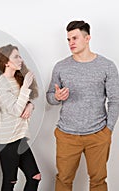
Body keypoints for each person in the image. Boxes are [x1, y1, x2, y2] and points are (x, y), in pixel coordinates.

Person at [46, 20, 119, 191]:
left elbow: (115, 100)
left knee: (98, 181)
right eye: (68, 39)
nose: (71, 43)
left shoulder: (107, 66)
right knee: (63, 179)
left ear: (88, 38)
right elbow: (49, 97)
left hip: (98, 134)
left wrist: (108, 130)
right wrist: (57, 97)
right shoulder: (61, 67)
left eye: (75, 38)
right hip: (67, 135)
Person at [0, 44, 41, 191]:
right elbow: (16, 110)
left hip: (19, 137)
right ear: (6, 62)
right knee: (10, 181)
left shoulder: (17, 79)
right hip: (7, 141)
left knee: (35, 176)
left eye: (19, 56)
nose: (20, 59)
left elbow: (24, 102)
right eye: (16, 56)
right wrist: (26, 86)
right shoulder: (1, 83)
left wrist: (31, 105)